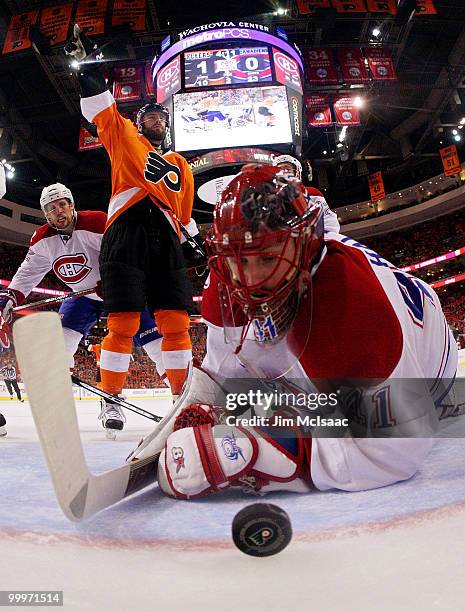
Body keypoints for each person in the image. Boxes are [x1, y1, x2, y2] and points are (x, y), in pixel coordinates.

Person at [154, 165, 458, 499]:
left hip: (426, 372)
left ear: (305, 245)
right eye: (235, 259)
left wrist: (264, 450)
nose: (248, 280)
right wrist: (199, 410)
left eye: (267, 258)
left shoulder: (351, 307)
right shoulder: (230, 274)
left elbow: (395, 453)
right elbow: (223, 373)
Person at [66, 25, 196, 413]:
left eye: (161, 115)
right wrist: (87, 72)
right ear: (140, 123)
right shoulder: (124, 136)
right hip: (126, 231)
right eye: (150, 114)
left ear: (167, 125)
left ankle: (181, 398)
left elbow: (184, 214)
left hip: (167, 238)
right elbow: (101, 111)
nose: (156, 118)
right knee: (122, 323)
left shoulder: (182, 164)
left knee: (176, 322)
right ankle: (112, 400)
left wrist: (192, 241)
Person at [0, 183, 167, 434]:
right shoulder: (42, 240)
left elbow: (126, 254)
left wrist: (116, 279)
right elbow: (29, 272)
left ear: (71, 205)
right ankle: (58, 405)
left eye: (62, 204)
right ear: (46, 214)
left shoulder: (97, 222)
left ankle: (155, 397)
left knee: (157, 345)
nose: (58, 211)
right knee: (60, 344)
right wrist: (10, 297)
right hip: (83, 296)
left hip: (120, 293)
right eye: (51, 208)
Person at [272, 154, 341, 234]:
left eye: (287, 169)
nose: (283, 172)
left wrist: (324, 241)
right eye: (279, 169)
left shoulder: (312, 192)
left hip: (311, 241)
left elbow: (327, 219)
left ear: (297, 173)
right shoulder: (270, 198)